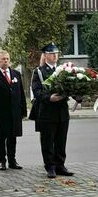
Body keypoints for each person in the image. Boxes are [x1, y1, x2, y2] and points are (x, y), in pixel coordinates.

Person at [31, 42, 74, 179]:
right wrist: (49, 97)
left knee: (61, 140)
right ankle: (50, 167)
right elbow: (37, 91)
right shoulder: (39, 71)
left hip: (62, 112)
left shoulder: (63, 70)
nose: (55, 56)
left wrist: (77, 95)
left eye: (56, 53)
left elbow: (70, 88)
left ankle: (60, 165)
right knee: (48, 141)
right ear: (45, 55)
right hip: (47, 113)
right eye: (51, 53)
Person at [0, 50, 27, 170]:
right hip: (0, 114)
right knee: (1, 138)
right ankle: (2, 161)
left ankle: (12, 160)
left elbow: (21, 94)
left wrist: (23, 111)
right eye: (3, 59)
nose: (5, 61)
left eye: (7, 59)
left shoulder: (16, 74)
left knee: (12, 137)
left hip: (14, 112)